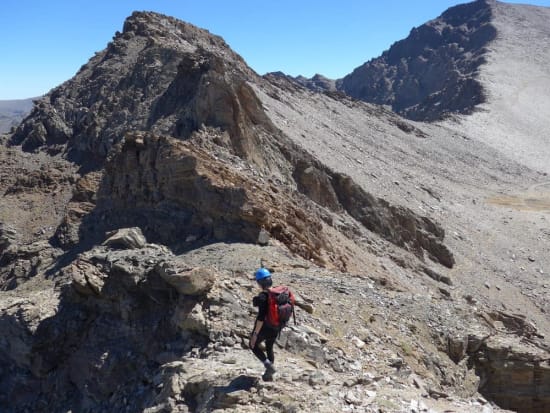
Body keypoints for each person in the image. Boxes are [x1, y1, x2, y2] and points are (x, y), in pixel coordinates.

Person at [249, 267, 278, 381]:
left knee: (253, 345)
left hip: (266, 327)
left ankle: (268, 366)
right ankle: (268, 374)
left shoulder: (263, 297)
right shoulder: (277, 293)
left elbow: (261, 318)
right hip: (277, 326)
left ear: (260, 283)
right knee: (269, 346)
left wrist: (255, 334)